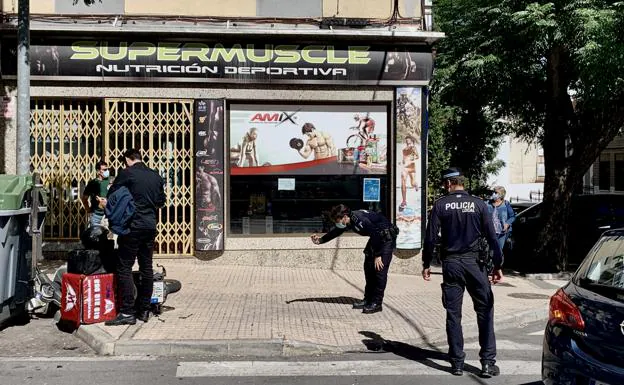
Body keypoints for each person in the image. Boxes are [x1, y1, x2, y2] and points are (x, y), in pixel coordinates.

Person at [422, 167, 504, 378]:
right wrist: (497, 265)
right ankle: (487, 363)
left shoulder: (440, 204)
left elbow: (430, 237)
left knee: (453, 314)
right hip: (475, 264)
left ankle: (457, 363)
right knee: (485, 311)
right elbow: (492, 237)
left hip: (451, 264)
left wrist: (426, 263)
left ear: (449, 184)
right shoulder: (478, 204)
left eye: (443, 184)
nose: (443, 187)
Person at [104, 149, 166, 326]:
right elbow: (161, 202)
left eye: (125, 161)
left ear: (128, 159)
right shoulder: (155, 176)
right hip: (150, 226)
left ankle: (127, 312)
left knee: (124, 267)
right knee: (146, 267)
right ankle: (144, 310)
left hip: (132, 226)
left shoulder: (127, 173)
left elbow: (112, 195)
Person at [311, 204, 398, 314]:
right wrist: (321, 240)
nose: (338, 223)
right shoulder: (349, 220)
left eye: (339, 221)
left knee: (379, 270)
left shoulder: (359, 219)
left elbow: (375, 234)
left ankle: (377, 303)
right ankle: (368, 299)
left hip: (385, 238)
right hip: (376, 238)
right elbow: (336, 231)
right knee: (368, 268)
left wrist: (378, 255)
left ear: (345, 216)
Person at [81, 161, 110, 227]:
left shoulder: (111, 181)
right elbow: (84, 198)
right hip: (96, 216)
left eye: (107, 169)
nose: (107, 171)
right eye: (104, 170)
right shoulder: (92, 183)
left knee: (109, 237)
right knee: (95, 236)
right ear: (98, 171)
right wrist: (89, 211)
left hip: (109, 215)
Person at [487, 186, 515, 252]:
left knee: (498, 251)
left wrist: (507, 223)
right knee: (489, 251)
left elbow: (512, 216)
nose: (494, 194)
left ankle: (498, 261)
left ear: (501, 195)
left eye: (496, 192)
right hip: (490, 232)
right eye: (493, 192)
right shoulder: (488, 203)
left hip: (501, 232)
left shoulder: (506, 204)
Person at [399, 135, 419, 212]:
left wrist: (412, 158)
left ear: (411, 140)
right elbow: (403, 158)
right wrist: (403, 161)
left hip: (411, 166)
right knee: (403, 181)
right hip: (405, 166)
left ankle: (415, 184)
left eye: (408, 139)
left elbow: (417, 156)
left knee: (412, 183)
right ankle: (404, 201)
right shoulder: (404, 149)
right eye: (406, 139)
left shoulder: (413, 147)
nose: (407, 140)